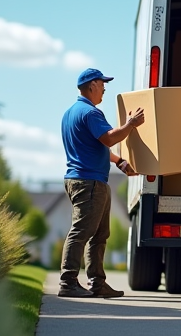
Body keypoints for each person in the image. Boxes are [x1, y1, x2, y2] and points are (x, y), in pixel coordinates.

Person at [59, 68, 144, 298]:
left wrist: (119, 161)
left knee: (99, 234)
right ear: (92, 85)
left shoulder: (70, 113)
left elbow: (94, 146)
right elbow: (109, 138)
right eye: (102, 83)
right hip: (89, 183)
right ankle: (68, 282)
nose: (105, 88)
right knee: (81, 231)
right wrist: (131, 124)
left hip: (83, 180)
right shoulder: (91, 113)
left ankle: (97, 283)